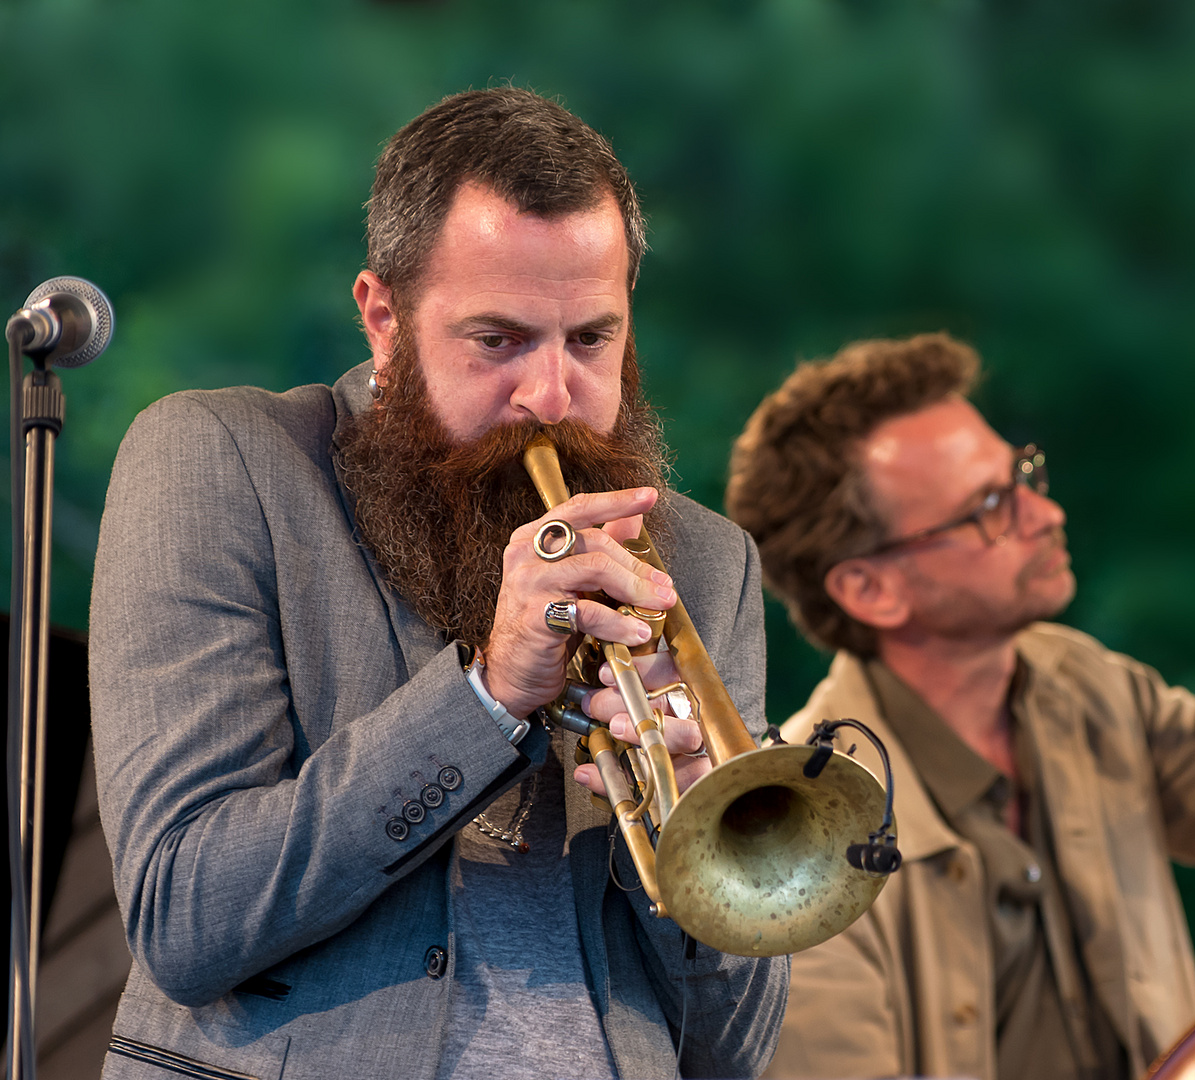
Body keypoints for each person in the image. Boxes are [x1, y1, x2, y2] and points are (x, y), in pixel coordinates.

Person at [89, 88, 786, 1080]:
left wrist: (688, 846)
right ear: (383, 318)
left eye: (591, 339)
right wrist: (488, 695)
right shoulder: (223, 460)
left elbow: (732, 1054)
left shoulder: (704, 563)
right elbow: (187, 915)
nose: (552, 395)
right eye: (498, 341)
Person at [725, 332, 1195, 1080]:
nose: (1047, 513)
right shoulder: (804, 838)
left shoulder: (1086, 685)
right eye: (991, 506)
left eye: (1023, 475)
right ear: (871, 590)